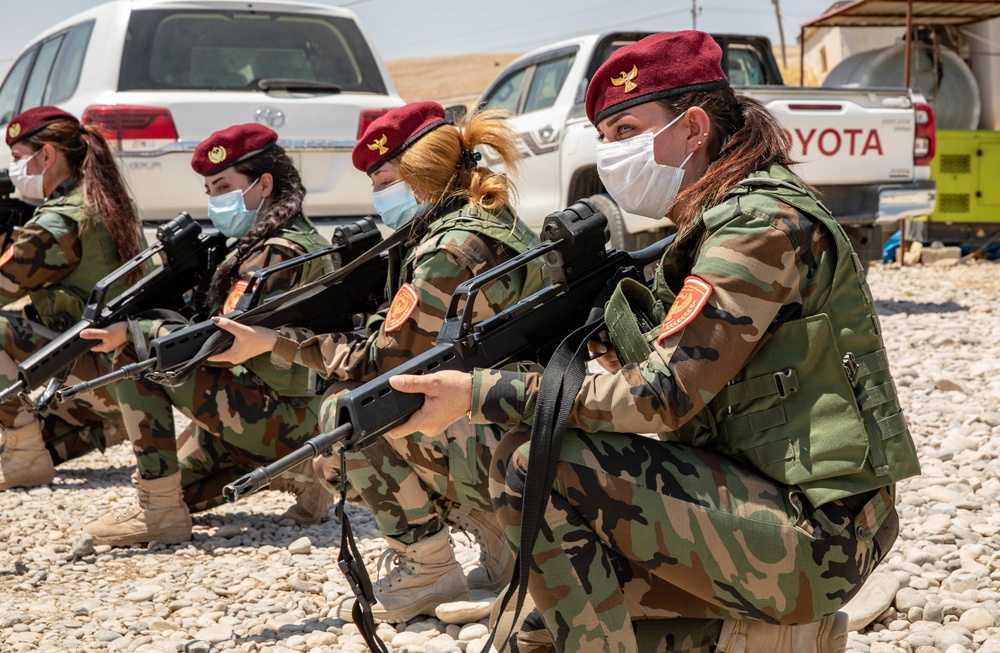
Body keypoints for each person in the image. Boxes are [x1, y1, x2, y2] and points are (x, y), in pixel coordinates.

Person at [380, 31, 920, 653]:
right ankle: (775, 635)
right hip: (763, 500)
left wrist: (475, 392)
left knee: (536, 465)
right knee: (537, 631)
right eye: (606, 139)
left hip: (821, 534)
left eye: (627, 131)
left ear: (693, 129)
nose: (612, 155)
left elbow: (660, 396)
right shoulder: (707, 227)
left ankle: (785, 616)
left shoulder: (758, 227)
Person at [209, 101, 548, 622]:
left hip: (506, 433)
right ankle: (501, 541)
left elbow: (384, 363)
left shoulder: (448, 249)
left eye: (384, 178)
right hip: (521, 420)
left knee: (350, 411)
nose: (377, 195)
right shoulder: (485, 218)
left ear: (421, 173)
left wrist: (272, 342)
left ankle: (429, 564)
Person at [80, 123, 336, 546]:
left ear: (264, 184)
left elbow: (219, 342)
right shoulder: (292, 239)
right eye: (210, 191)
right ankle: (303, 470)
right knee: (186, 490)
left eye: (223, 186)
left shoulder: (275, 253)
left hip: (281, 414)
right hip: (292, 410)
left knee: (136, 355)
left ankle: (160, 514)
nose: (216, 200)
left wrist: (135, 329)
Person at [0, 106, 146, 491]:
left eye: (18, 159)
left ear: (47, 155)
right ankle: (99, 422)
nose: (16, 171)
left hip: (100, 372)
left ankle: (26, 456)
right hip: (125, 371)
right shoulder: (104, 198)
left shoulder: (59, 220)